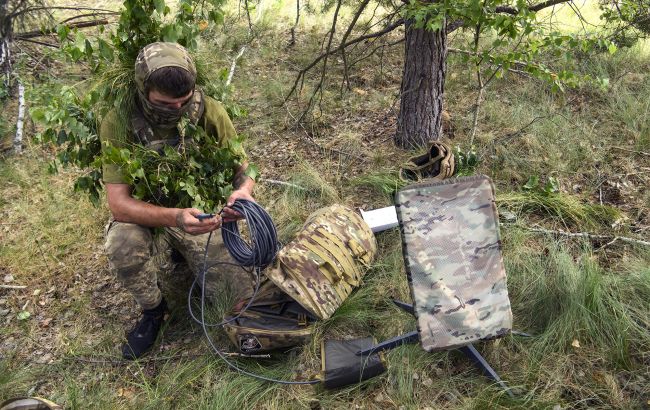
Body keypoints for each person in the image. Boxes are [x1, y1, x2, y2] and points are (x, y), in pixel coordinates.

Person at [99, 42, 255, 359]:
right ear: (143, 90)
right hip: (147, 214)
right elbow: (119, 204)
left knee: (239, 296)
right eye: (164, 104)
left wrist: (244, 192)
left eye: (184, 102)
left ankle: (187, 256)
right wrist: (175, 217)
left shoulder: (209, 110)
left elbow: (244, 169)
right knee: (122, 244)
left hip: (200, 213)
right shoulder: (119, 121)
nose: (177, 110)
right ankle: (154, 310)